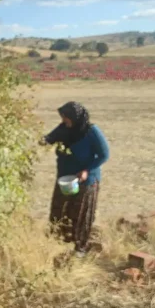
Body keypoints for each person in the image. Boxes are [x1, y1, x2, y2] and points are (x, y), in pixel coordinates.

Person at [40, 101, 110, 257]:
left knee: (80, 214)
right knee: (59, 209)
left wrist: (86, 170)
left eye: (66, 117)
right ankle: (60, 243)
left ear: (75, 117)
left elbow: (104, 155)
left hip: (86, 180)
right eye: (62, 117)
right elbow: (50, 138)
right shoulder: (63, 129)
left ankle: (80, 248)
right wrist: (42, 140)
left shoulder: (91, 132)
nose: (63, 120)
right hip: (65, 178)